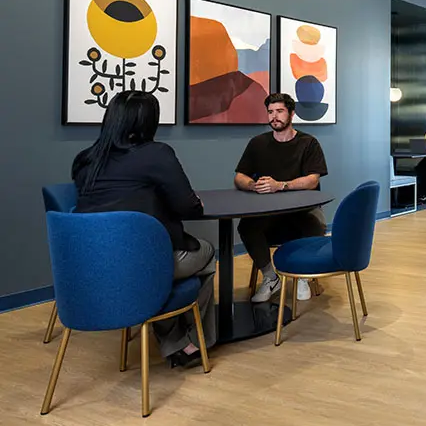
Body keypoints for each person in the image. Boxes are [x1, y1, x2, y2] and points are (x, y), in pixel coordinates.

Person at [72, 91, 215, 369]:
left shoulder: (85, 160)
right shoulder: (156, 154)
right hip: (142, 265)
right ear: (149, 122)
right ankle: (195, 342)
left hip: (93, 267)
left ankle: (174, 341)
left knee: (155, 267)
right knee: (206, 253)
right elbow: (189, 208)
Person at [234, 93, 328, 303]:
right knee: (247, 227)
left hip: (303, 209)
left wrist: (281, 185)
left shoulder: (308, 143)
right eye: (270, 112)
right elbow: (239, 176)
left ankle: (302, 274)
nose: (274, 116)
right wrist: (253, 185)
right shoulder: (257, 143)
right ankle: (270, 277)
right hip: (268, 210)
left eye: (279, 111)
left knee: (316, 223)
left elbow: (312, 180)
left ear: (291, 114)